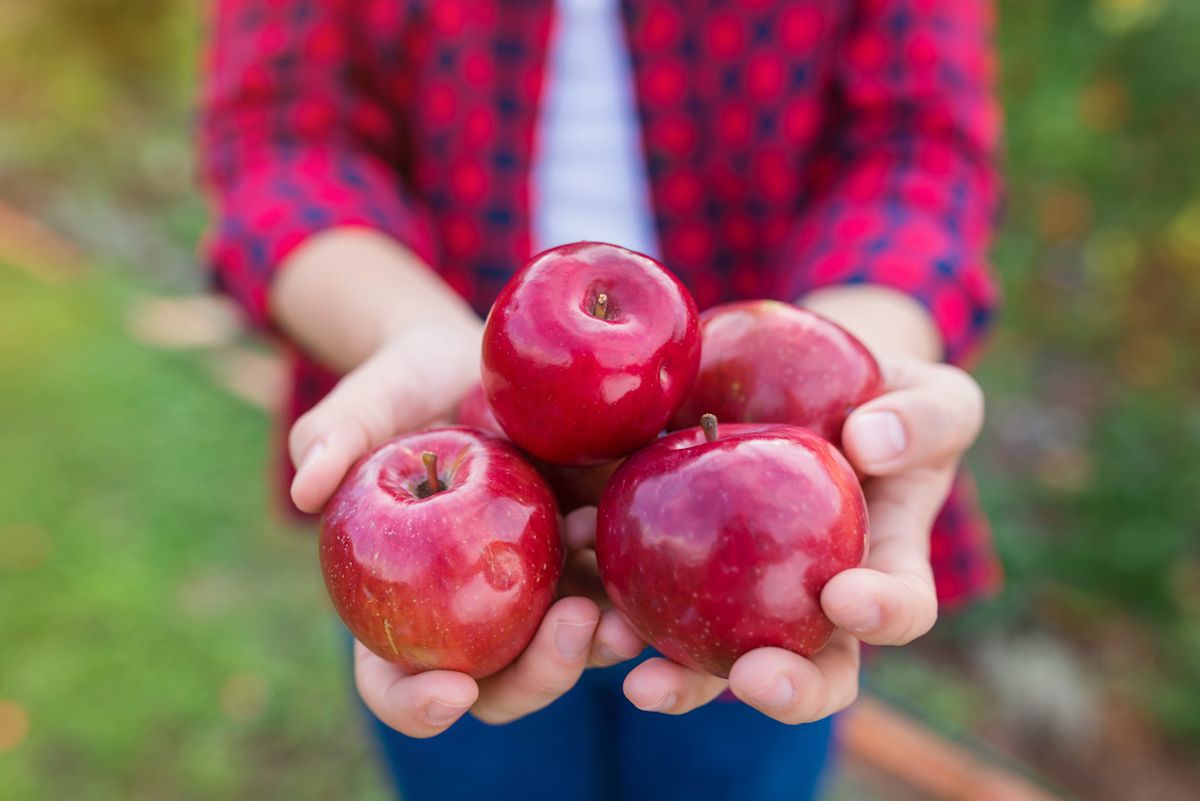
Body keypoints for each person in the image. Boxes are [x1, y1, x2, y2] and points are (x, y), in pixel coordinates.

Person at [199, 1, 1002, 798]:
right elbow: (281, 138)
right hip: (455, 485)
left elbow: (916, 143)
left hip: (760, 529)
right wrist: (408, 331)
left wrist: (846, 367)